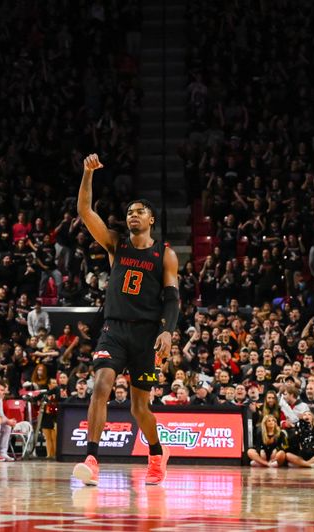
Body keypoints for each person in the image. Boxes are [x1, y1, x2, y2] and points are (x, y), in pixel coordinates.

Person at [73, 154, 179, 486]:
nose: (132, 215)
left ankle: (157, 454)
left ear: (151, 219)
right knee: (101, 387)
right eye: (129, 211)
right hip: (114, 329)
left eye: (139, 211)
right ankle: (91, 459)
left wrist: (168, 332)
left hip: (147, 335)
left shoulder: (165, 254)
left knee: (139, 409)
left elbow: (172, 298)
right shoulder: (115, 244)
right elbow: (85, 212)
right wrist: (88, 174)